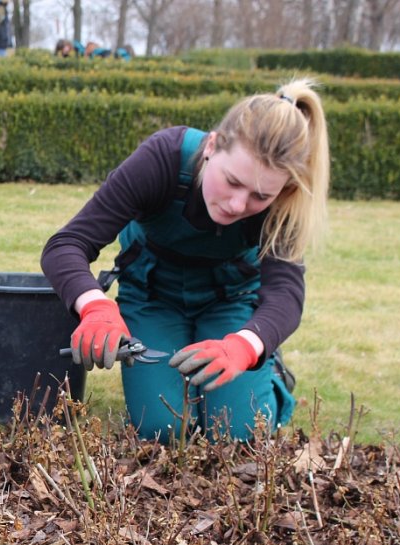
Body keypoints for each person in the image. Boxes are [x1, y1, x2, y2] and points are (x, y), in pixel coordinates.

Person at [41, 78, 329, 442]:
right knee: (161, 428)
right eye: (232, 181)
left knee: (236, 432)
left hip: (232, 302)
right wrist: (96, 307)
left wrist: (246, 344)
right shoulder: (161, 160)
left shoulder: (284, 201)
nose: (238, 205)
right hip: (152, 297)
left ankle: (271, 377)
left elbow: (285, 294)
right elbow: (66, 244)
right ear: (212, 146)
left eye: (259, 196)